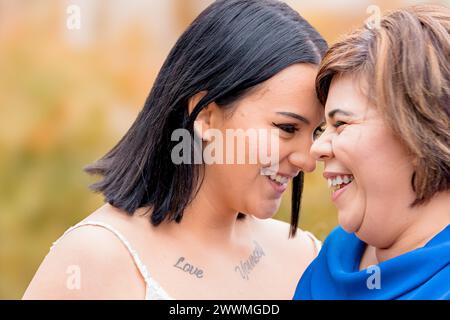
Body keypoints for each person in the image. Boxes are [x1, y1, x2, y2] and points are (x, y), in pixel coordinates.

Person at [23, 0, 327, 299]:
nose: (308, 159)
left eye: (317, 131)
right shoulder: (95, 258)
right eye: (287, 128)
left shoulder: (305, 258)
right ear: (206, 116)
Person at [293, 4, 450, 300]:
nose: (317, 149)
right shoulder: (331, 258)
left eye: (340, 123)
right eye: (322, 129)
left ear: (420, 129)